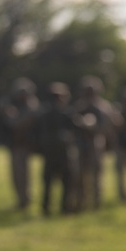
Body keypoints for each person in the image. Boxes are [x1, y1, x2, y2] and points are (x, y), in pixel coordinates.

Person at [73, 75, 120, 211]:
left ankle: (96, 202)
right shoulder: (79, 106)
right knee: (80, 175)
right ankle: (81, 201)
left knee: (97, 174)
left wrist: (94, 128)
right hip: (81, 144)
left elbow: (111, 125)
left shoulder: (104, 107)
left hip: (96, 143)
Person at [35, 82, 81, 216]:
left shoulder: (66, 113)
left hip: (61, 152)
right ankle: (49, 208)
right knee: (51, 182)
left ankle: (63, 207)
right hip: (54, 152)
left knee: (64, 181)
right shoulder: (47, 114)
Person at [0, 77, 38, 211]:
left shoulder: (31, 107)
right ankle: (20, 200)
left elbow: (17, 124)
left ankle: (25, 201)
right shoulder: (19, 106)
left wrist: (10, 115)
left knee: (22, 175)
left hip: (24, 146)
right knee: (15, 175)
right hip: (15, 146)